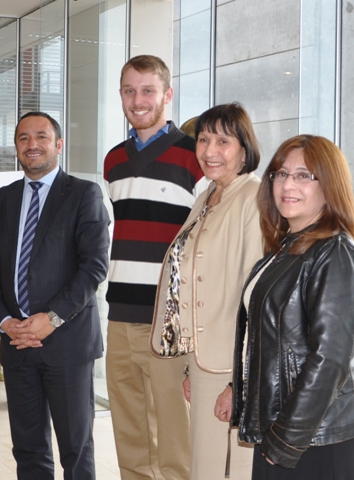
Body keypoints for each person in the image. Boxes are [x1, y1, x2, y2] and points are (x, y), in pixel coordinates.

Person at [215, 134, 354, 480]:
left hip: (313, 436)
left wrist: (286, 439)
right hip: (283, 427)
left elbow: (330, 358)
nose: (288, 184)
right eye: (281, 174)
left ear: (329, 186)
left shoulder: (335, 253)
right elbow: (270, 340)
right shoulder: (289, 248)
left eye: (304, 175)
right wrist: (238, 390)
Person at [0, 111, 110, 480]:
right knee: (28, 448)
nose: (32, 144)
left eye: (41, 136)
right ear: (16, 147)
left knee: (75, 448)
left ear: (59, 144)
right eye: (23, 138)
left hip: (66, 341)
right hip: (17, 344)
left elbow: (94, 267)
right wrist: (6, 323)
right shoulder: (2, 200)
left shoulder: (84, 194)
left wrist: (50, 319)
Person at [103, 54, 206, 480]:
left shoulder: (194, 157)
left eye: (148, 90)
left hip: (167, 321)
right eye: (129, 90)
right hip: (118, 319)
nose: (138, 99)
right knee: (129, 431)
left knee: (174, 438)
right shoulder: (113, 160)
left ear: (167, 94)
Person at [150, 102, 263, 479]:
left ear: (244, 149)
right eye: (203, 139)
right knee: (206, 468)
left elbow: (257, 298)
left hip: (233, 364)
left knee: (231, 470)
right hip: (204, 361)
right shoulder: (207, 196)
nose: (209, 150)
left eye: (223, 141)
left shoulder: (253, 198)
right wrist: (189, 363)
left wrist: (240, 383)